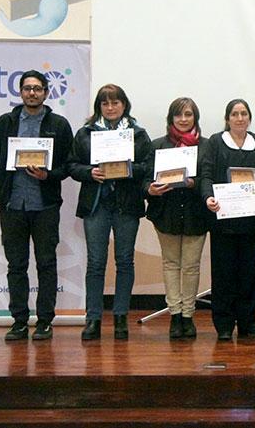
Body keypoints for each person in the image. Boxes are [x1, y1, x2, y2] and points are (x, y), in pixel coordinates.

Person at [0, 70, 74, 341]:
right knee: (16, 265)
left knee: (46, 264)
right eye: (27, 88)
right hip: (13, 205)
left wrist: (49, 175)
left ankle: (45, 321)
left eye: (37, 88)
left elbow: (68, 164)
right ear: (21, 92)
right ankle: (19, 321)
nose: (32, 93)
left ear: (46, 92)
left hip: (45, 206)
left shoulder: (58, 124)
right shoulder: (7, 122)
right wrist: (1, 179)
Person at [67, 84, 151, 340]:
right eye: (105, 103)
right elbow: (71, 165)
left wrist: (127, 170)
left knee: (125, 261)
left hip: (126, 205)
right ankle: (92, 319)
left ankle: (120, 317)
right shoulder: (85, 133)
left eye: (115, 102)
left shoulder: (137, 134)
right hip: (97, 205)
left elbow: (147, 166)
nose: (111, 107)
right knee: (95, 263)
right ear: (99, 107)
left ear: (124, 105)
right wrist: (89, 173)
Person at [202, 99, 255, 341]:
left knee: (249, 273)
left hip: (251, 220)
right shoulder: (215, 142)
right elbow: (206, 174)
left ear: (249, 118)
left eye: (244, 114)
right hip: (224, 220)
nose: (240, 118)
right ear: (227, 118)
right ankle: (224, 325)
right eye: (235, 114)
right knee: (223, 273)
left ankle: (248, 322)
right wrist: (208, 197)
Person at [145, 98, 208, 340]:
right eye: (178, 115)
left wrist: (195, 183)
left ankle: (188, 316)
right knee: (171, 265)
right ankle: (174, 314)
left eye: (188, 115)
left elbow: (208, 177)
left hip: (196, 214)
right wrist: (150, 189)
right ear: (170, 119)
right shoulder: (157, 145)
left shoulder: (206, 145)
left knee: (191, 266)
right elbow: (144, 178)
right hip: (166, 213)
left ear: (195, 117)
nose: (183, 119)